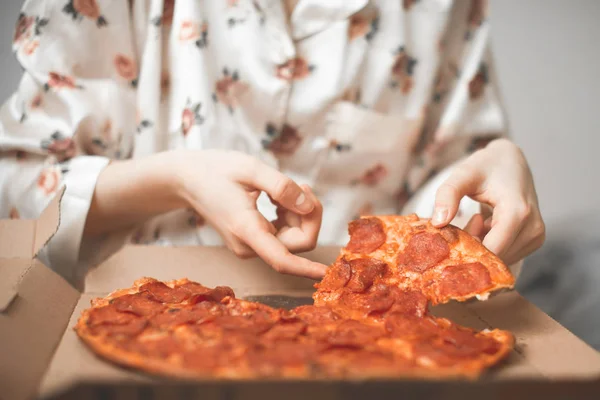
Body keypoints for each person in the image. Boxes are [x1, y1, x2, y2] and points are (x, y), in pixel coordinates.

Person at [0, 0, 544, 286]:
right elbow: (17, 193)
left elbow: (449, 190)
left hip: (372, 359)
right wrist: (175, 180)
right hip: (139, 346)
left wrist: (492, 160)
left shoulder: (441, 5)